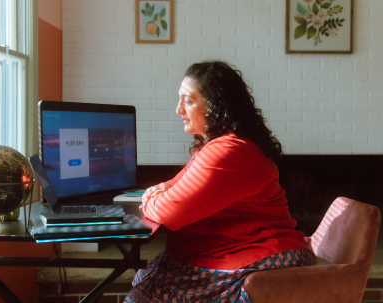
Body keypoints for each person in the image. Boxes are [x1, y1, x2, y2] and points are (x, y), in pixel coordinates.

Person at [124, 60, 316, 303]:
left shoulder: (229, 151)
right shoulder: (220, 146)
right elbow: (172, 186)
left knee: (145, 293)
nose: (178, 110)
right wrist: (160, 194)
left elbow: (168, 211)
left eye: (188, 100)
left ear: (216, 106)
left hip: (261, 258)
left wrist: (148, 197)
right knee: (148, 279)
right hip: (238, 251)